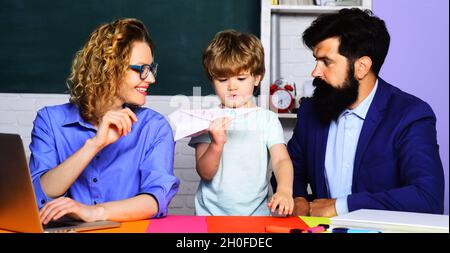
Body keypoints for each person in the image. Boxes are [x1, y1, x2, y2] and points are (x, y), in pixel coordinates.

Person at [276, 8, 444, 217]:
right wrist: (298, 197)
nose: (315, 72)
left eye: (326, 62)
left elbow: (427, 198)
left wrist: (340, 206)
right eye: (315, 61)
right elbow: (290, 167)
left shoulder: (410, 115)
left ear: (362, 67)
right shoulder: (311, 110)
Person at [29, 18, 179, 224]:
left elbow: (156, 200)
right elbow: (39, 194)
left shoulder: (154, 127)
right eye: (142, 69)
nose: (151, 79)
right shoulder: (50, 121)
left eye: (151, 69)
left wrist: (94, 212)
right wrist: (94, 145)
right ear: (109, 68)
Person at [188, 30, 294, 216]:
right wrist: (216, 144)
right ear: (212, 81)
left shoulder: (267, 119)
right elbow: (205, 172)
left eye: (241, 78)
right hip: (210, 216)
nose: (232, 86)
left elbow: (281, 160)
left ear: (257, 77)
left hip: (256, 216)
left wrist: (285, 190)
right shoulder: (207, 118)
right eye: (222, 79)